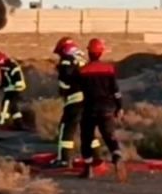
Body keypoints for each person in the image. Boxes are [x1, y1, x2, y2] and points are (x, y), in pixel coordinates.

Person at [77, 38, 127, 182]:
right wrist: (119, 107)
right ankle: (117, 157)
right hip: (107, 109)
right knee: (110, 136)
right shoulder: (109, 69)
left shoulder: (83, 71)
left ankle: (88, 169)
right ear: (101, 52)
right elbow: (116, 91)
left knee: (87, 138)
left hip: (89, 109)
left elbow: (78, 89)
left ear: (89, 52)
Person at [53, 36, 93, 167]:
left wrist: (62, 90)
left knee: (66, 129)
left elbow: (65, 82)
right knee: (88, 129)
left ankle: (64, 160)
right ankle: (96, 158)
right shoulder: (83, 59)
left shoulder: (66, 61)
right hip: (89, 99)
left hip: (75, 100)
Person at [0, 51, 26, 126]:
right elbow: (5, 80)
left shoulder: (12, 66)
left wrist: (10, 87)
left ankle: (11, 122)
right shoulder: (3, 68)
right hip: (10, 88)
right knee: (9, 103)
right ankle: (9, 121)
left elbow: (17, 80)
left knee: (9, 102)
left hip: (17, 87)